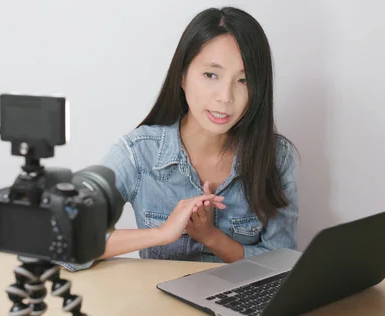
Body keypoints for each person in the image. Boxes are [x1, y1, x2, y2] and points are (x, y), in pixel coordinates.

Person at [59, 6, 299, 272]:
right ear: (182, 76)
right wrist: (162, 233)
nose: (226, 97)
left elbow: (281, 264)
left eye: (244, 81)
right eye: (211, 75)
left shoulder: (277, 156)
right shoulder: (139, 152)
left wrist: (211, 237)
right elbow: (65, 242)